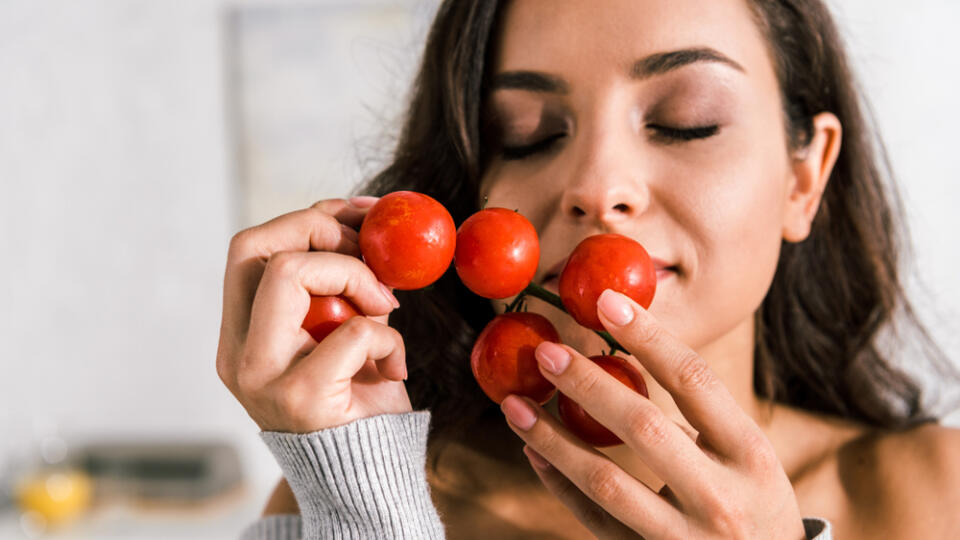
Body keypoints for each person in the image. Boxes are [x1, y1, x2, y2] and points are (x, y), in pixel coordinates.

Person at [216, 0, 960, 538]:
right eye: (530, 135)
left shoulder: (940, 495)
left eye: (686, 121)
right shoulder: (354, 488)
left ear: (805, 178)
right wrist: (366, 501)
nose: (598, 185)